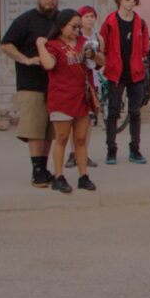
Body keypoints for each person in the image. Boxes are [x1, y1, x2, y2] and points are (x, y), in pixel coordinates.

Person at [1, 0, 65, 187]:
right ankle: (36, 171)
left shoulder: (61, 21)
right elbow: (6, 43)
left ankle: (44, 168)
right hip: (32, 82)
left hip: (56, 83)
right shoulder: (25, 20)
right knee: (35, 128)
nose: (50, 0)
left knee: (49, 130)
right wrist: (25, 59)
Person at [38, 12, 98, 193]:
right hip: (62, 98)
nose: (76, 30)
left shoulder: (82, 43)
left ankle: (83, 175)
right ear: (62, 26)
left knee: (80, 139)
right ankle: (58, 176)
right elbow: (48, 65)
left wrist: (93, 54)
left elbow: (101, 61)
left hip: (82, 97)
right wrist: (40, 45)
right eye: (73, 26)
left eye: (78, 26)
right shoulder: (54, 45)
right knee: (62, 138)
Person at [97, 0, 150, 167]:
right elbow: (103, 45)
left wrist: (139, 58)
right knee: (113, 112)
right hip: (115, 72)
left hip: (135, 73)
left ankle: (135, 149)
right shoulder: (110, 22)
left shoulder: (140, 23)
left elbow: (144, 47)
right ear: (120, 0)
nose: (132, 2)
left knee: (135, 112)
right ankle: (111, 149)